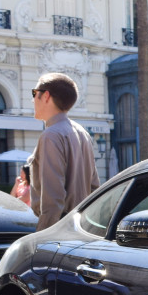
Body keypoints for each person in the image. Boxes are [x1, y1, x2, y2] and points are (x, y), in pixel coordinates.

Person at [29, 72, 99, 231]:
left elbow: (53, 200)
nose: (32, 99)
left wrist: (42, 239)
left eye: (34, 93)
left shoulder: (51, 135)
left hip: (60, 231)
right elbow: (95, 187)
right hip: (83, 228)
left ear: (46, 96)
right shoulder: (82, 133)